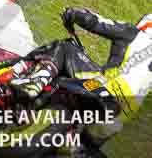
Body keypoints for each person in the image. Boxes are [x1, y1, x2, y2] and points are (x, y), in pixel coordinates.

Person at [8, 8, 152, 152]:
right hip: (115, 122)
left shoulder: (134, 33)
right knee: (81, 147)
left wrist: (73, 13)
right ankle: (74, 146)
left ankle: (36, 83)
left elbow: (95, 22)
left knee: (64, 48)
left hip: (101, 89)